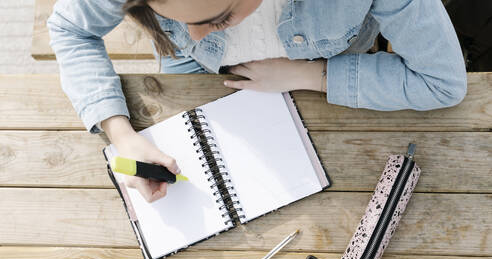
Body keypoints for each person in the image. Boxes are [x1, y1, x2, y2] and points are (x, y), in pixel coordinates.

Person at [47, 0, 467, 202]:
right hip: (190, 73)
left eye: (219, 19)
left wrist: (311, 75)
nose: (196, 35)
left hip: (326, 72)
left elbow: (443, 82)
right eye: (172, 17)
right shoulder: (192, 39)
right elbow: (69, 29)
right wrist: (121, 135)